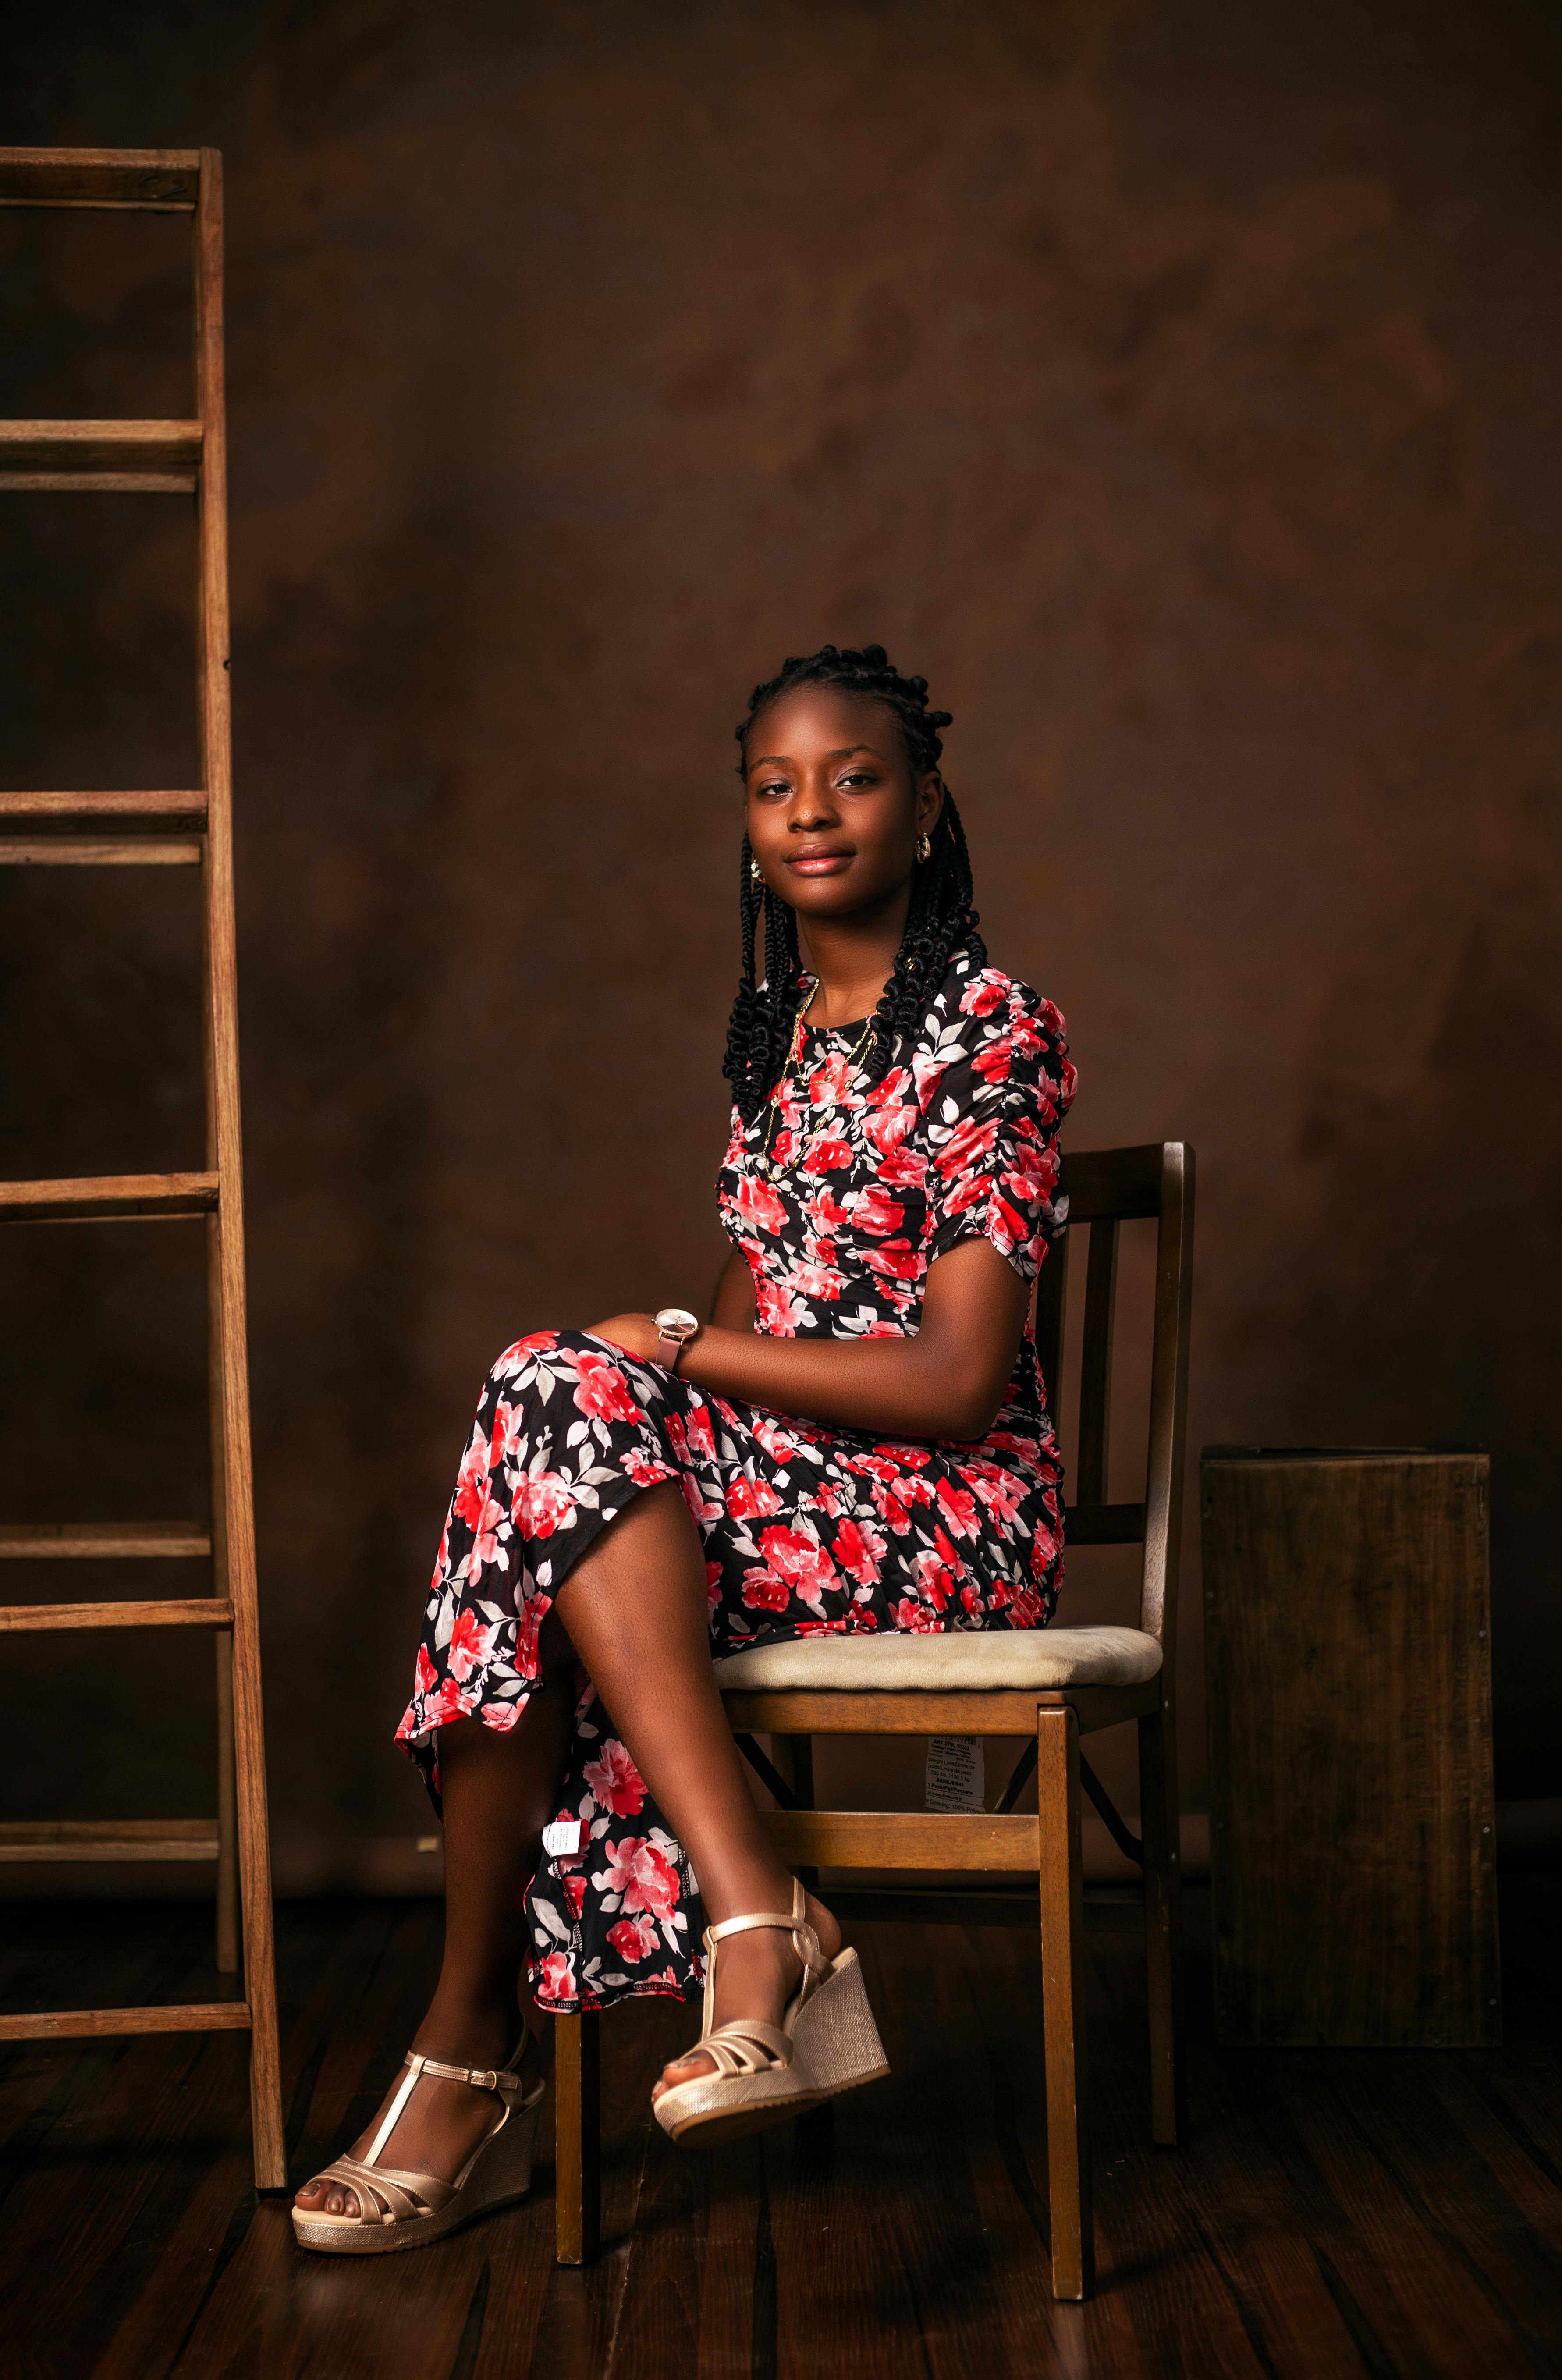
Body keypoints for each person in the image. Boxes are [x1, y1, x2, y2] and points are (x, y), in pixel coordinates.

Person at [293, 642, 1077, 2252]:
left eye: (853, 778)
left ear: (927, 809)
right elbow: (722, 1377)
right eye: (775, 785)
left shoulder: (999, 1030)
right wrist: (653, 1368)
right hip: (793, 1496)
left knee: (550, 1418)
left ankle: (480, 2042)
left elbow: (951, 1384)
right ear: (743, 823)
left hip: (946, 1512)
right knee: (555, 1441)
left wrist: (656, 1346)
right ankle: (751, 1916)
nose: (811, 813)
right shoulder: (777, 1038)